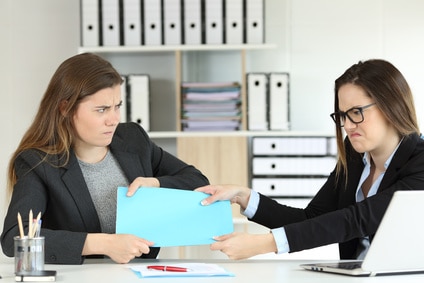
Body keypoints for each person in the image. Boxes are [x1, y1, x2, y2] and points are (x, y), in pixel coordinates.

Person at [196, 59, 424, 260]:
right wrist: (243, 196)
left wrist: (265, 244)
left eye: (356, 112)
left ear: (391, 106)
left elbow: (357, 220)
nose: (347, 125)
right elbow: (311, 218)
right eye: (343, 115)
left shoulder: (420, 161)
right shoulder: (356, 153)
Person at [1, 53, 209, 264]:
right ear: (65, 108)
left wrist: (155, 183)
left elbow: (198, 182)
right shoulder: (37, 162)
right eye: (101, 110)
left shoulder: (133, 139)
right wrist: (102, 244)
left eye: (117, 106)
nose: (114, 120)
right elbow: (14, 238)